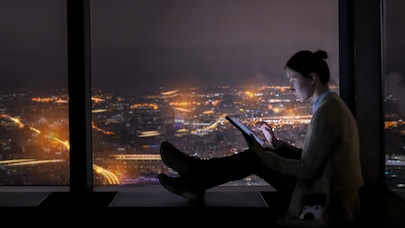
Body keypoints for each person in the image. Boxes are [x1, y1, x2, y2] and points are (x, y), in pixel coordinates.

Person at [157, 49, 364, 227]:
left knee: (258, 159)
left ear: (312, 78)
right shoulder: (331, 107)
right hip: (329, 190)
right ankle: (194, 177)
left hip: (324, 199)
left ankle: (194, 174)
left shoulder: (327, 113)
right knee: (264, 154)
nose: (290, 88)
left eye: (293, 81)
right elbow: (316, 159)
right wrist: (275, 143)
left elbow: (306, 169)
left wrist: (263, 154)